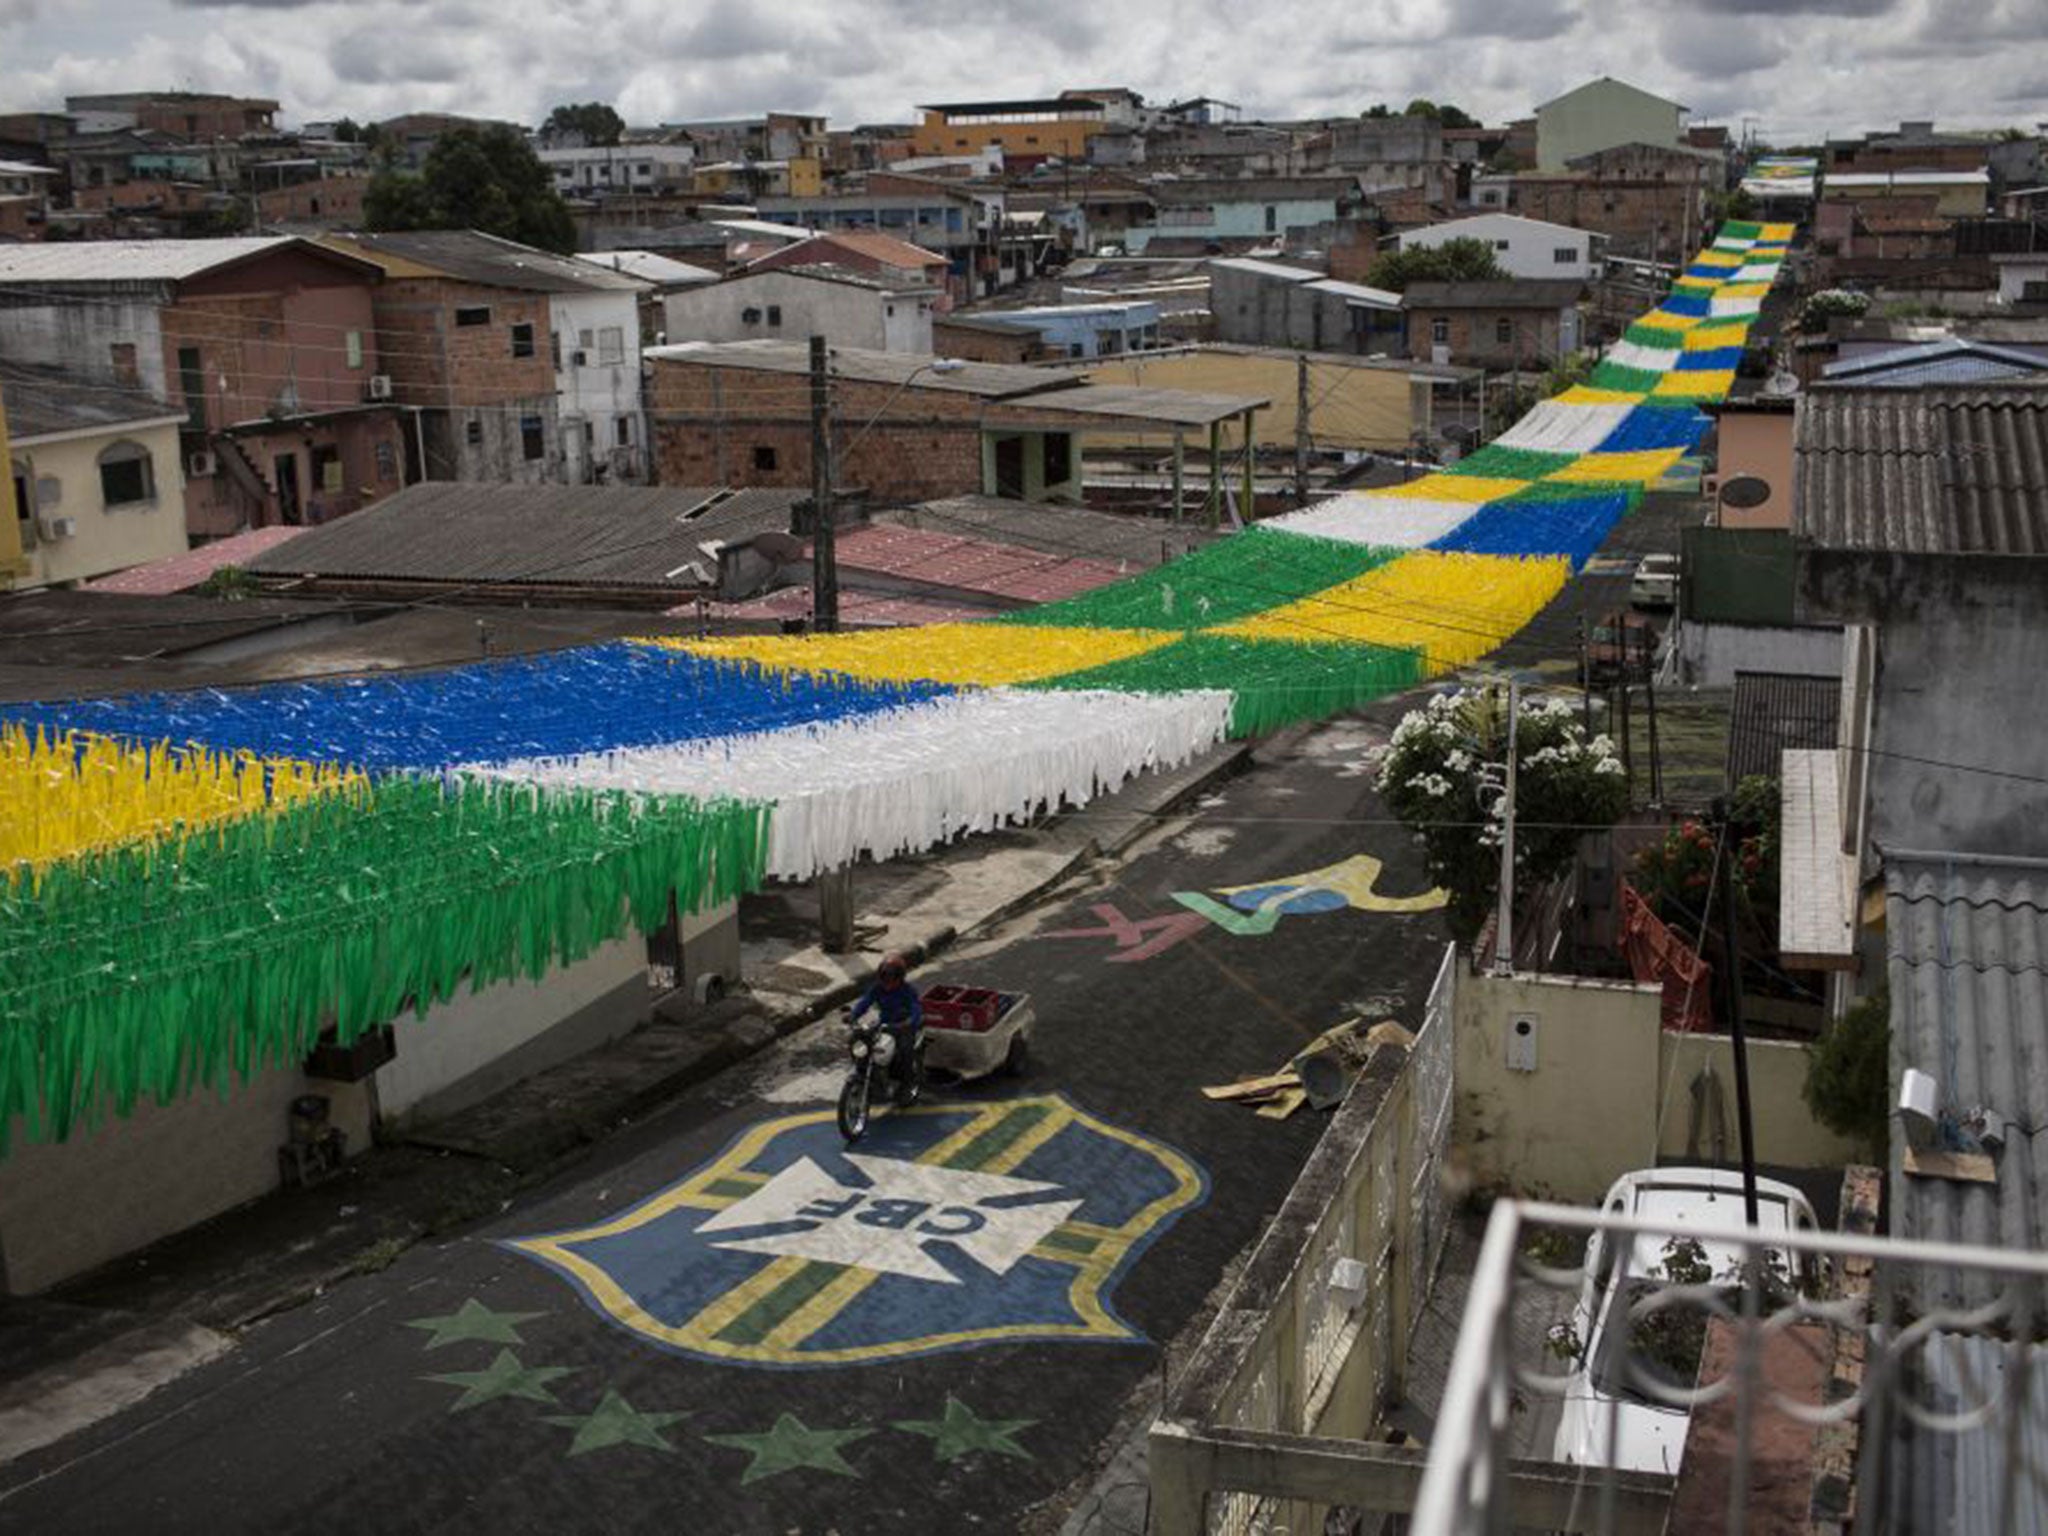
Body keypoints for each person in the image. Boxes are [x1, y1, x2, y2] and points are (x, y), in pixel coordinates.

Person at [849, 952, 923, 1102]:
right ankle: (863, 1074)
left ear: (900, 977)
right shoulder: (877, 989)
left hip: (902, 1027)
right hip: (884, 1025)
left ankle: (907, 1085)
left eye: (892, 978)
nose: (888, 982)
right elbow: (865, 1002)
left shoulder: (908, 991)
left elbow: (916, 1009)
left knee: (904, 1051)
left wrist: (909, 1022)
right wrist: (853, 1015)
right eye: (885, 977)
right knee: (858, 1040)